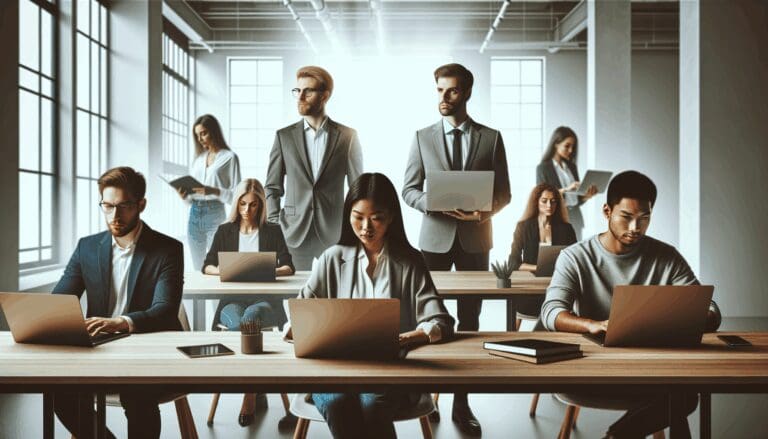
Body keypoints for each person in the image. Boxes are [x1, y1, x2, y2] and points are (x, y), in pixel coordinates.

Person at [540, 170, 722, 438]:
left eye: (644, 218)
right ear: (607, 211)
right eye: (626, 217)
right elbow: (551, 312)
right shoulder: (575, 257)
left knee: (684, 394)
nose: (635, 227)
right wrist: (592, 325)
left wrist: (684, 319)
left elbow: (711, 310)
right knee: (678, 397)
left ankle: (616, 436)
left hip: (651, 369)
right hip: (592, 368)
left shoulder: (666, 257)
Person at [292, 173, 454, 439]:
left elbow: (440, 321)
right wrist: (299, 328)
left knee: (372, 403)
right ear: (348, 215)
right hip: (334, 369)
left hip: (389, 369)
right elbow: (299, 312)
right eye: (358, 216)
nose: (366, 227)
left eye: (376, 217)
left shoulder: (410, 261)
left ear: (391, 217)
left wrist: (409, 337)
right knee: (338, 402)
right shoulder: (331, 259)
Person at [402, 62, 510, 436]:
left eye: (451, 90)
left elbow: (504, 192)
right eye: (439, 90)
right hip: (433, 239)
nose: (444, 97)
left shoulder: (491, 138)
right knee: (425, 317)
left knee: (470, 321)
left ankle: (462, 403)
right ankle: (425, 396)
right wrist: (432, 204)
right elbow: (408, 189)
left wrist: (484, 211)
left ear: (466, 93)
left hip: (475, 238)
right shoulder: (422, 137)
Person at [52, 167, 183, 439]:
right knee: (61, 394)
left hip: (148, 349)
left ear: (141, 205)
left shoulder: (167, 249)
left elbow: (165, 310)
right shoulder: (87, 247)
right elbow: (60, 300)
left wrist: (120, 323)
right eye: (108, 206)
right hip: (98, 349)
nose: (114, 215)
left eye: (124, 206)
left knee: (137, 394)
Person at [202, 178, 295, 427]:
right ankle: (254, 385)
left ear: (261, 205)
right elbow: (207, 265)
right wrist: (225, 270)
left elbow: (289, 265)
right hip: (232, 301)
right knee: (238, 324)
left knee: (250, 319)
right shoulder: (225, 230)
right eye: (242, 204)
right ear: (236, 203)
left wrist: (268, 270)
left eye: (253, 205)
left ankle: (249, 394)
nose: (247, 210)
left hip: (264, 301)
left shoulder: (272, 230)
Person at [265, 65, 364, 270]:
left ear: (324, 96)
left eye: (308, 91)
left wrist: (353, 226)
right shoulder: (283, 137)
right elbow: (272, 187)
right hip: (293, 231)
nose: (300, 97)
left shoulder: (348, 136)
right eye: (297, 91)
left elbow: (357, 189)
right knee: (293, 288)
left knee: (337, 288)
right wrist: (274, 223)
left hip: (334, 231)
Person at [180, 114, 241, 271]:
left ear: (214, 132)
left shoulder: (229, 158)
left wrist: (212, 190)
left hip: (215, 214)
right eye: (197, 135)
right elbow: (191, 195)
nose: (200, 139)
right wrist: (184, 196)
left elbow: (237, 195)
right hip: (194, 214)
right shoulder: (198, 160)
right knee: (198, 267)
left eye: (204, 133)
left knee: (218, 266)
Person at [508, 183, 576, 325]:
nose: (549, 205)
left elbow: (574, 259)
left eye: (553, 201)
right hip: (530, 284)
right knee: (519, 303)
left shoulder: (567, 229)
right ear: (536, 202)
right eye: (544, 201)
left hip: (556, 282)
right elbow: (513, 263)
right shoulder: (523, 227)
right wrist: (538, 268)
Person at [536, 126, 597, 240]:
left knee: (576, 250)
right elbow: (542, 196)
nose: (571, 150)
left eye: (573, 147)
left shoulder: (571, 167)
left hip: (575, 218)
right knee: (559, 250)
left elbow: (575, 200)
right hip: (557, 218)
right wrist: (566, 189)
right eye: (567, 146)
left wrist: (586, 196)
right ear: (556, 144)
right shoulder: (543, 168)